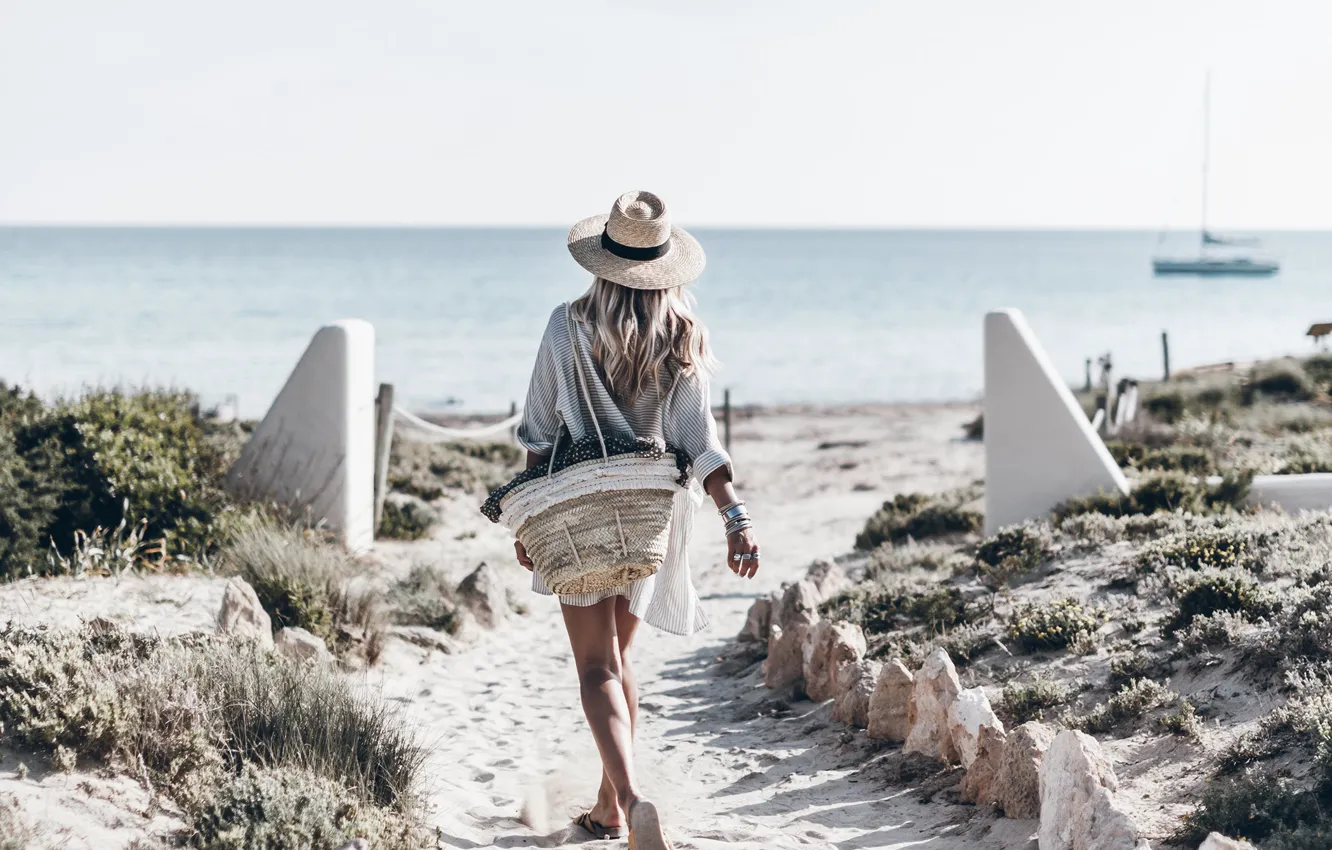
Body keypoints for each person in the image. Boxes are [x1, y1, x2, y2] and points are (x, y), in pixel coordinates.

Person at [512, 190, 760, 849]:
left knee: (594, 668)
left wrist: (527, 522)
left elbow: (538, 433)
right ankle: (609, 808)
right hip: (652, 515)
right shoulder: (682, 335)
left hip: (576, 510)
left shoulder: (567, 326)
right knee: (621, 661)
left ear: (601, 260)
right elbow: (698, 438)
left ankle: (628, 797)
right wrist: (735, 515)